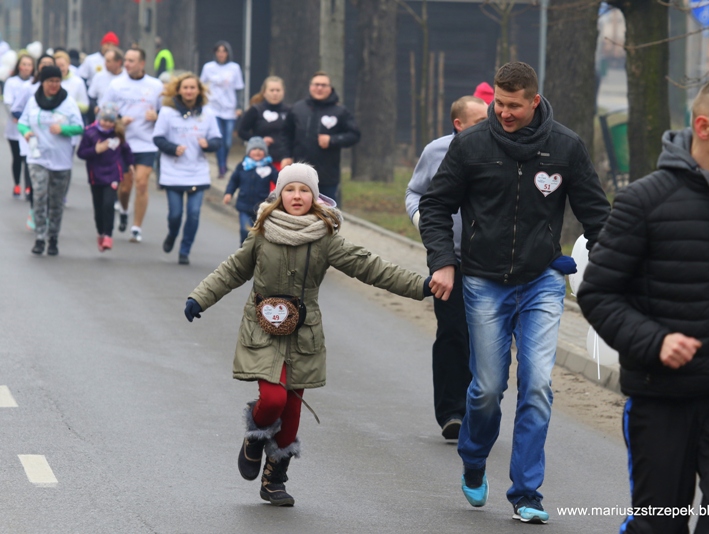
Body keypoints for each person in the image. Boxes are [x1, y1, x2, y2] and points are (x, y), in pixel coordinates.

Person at [577, 78, 709, 534]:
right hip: (660, 396)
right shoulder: (642, 200)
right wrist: (656, 341)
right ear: (704, 127)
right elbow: (597, 293)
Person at [419, 61, 610, 523]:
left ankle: (527, 492)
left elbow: (597, 216)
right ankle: (474, 457)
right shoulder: (471, 144)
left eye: (513, 106)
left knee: (538, 385)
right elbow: (436, 205)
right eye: (499, 104)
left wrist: (617, 269)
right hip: (483, 281)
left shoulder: (565, 147)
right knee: (487, 388)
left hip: (541, 281)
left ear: (534, 101)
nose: (504, 113)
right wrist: (443, 261)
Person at [183, 162, 433, 506]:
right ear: (279, 194)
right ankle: (255, 435)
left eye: (304, 190)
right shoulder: (262, 232)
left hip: (303, 334)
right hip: (262, 328)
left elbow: (370, 266)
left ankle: (274, 479)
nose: (297, 196)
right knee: (274, 399)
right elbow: (233, 269)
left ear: (314, 197)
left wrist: (421, 286)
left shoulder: (325, 238)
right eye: (290, 189)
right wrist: (200, 297)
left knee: (292, 410)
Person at [405, 95, 488, 440]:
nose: (490, 125)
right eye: (481, 121)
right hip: (447, 260)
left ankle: (480, 408)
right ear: (459, 124)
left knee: (483, 338)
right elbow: (415, 192)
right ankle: (452, 412)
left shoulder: (500, 149)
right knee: (453, 333)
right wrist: (422, 220)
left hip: (490, 263)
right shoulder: (436, 151)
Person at [152, 73, 222, 265]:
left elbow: (217, 140)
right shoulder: (167, 112)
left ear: (199, 91)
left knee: (193, 213)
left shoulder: (207, 113)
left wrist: (208, 144)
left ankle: (185, 249)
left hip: (197, 171)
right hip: (173, 171)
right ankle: (172, 234)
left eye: (193, 87)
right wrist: (173, 148)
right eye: (185, 87)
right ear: (179, 90)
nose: (189, 91)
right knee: (175, 214)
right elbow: (157, 138)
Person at [18, 65, 84, 256]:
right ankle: (40, 237)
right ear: (43, 82)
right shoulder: (33, 101)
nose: (54, 85)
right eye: (50, 81)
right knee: (39, 196)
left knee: (55, 201)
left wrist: (63, 129)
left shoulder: (68, 103)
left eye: (57, 81)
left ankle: (53, 237)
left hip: (61, 160)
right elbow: (22, 122)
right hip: (37, 157)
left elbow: (79, 127)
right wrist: (26, 132)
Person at [100, 48, 163, 242]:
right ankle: (124, 209)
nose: (126, 64)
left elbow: (167, 114)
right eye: (126, 60)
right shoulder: (116, 84)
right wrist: (119, 120)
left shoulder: (156, 85)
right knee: (125, 188)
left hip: (147, 143)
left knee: (142, 184)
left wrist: (157, 116)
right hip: (123, 143)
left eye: (131, 60)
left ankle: (136, 228)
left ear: (142, 63)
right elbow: (104, 112)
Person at [282, 71, 360, 205]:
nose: (319, 88)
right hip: (300, 174)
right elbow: (286, 135)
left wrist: (332, 140)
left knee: (327, 214)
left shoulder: (340, 111)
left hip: (327, 176)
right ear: (310, 87)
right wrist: (286, 155)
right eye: (316, 84)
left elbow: (354, 135)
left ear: (330, 88)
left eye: (323, 85)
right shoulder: (297, 109)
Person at [77, 103, 134, 252]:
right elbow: (81, 153)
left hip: (113, 173)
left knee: (109, 204)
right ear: (99, 119)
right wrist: (96, 150)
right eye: (104, 120)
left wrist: (130, 164)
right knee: (99, 207)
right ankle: (101, 232)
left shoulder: (117, 133)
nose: (107, 124)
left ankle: (108, 235)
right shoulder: (90, 133)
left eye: (110, 121)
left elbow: (126, 149)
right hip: (95, 175)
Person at [12, 54, 56, 224]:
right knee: (34, 177)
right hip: (32, 140)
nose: (46, 66)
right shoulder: (29, 88)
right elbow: (16, 109)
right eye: (43, 64)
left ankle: (48, 213)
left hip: (53, 142)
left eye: (49, 64)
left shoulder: (61, 92)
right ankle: (34, 210)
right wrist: (28, 125)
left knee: (51, 181)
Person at [199, 41, 244, 179]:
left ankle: (224, 160)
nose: (221, 54)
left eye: (224, 51)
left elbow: (239, 88)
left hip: (229, 108)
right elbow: (201, 85)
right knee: (218, 138)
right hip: (213, 108)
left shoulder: (234, 68)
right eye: (218, 51)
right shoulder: (208, 67)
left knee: (227, 141)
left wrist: (239, 106)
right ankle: (222, 167)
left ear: (228, 53)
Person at [223, 136, 278, 245]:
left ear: (265, 152)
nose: (257, 152)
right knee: (245, 230)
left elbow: (279, 180)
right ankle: (244, 248)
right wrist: (228, 193)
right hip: (244, 206)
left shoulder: (269, 167)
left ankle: (254, 251)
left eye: (261, 149)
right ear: (248, 152)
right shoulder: (242, 166)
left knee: (258, 233)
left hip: (261, 207)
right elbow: (234, 181)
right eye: (254, 149)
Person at [237, 76, 291, 169]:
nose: (275, 93)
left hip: (283, 161)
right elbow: (242, 131)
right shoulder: (256, 110)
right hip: (259, 161)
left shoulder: (289, 111)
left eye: (278, 90)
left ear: (283, 92)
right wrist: (259, 140)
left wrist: (289, 156)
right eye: (272, 90)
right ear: (264, 92)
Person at [3, 53, 34, 198]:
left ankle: (28, 186)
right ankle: (17, 184)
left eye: (29, 65)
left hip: (29, 127)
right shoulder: (12, 82)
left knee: (28, 157)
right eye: (24, 64)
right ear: (19, 66)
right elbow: (8, 101)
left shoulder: (34, 83)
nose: (26, 68)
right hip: (14, 127)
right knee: (17, 157)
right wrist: (16, 116)